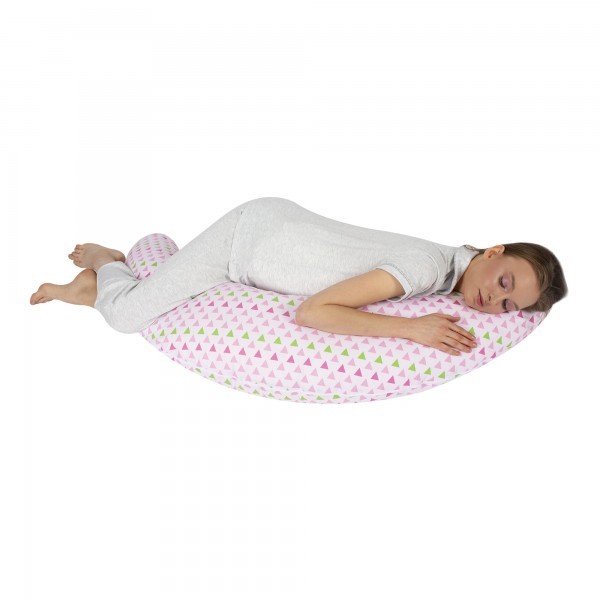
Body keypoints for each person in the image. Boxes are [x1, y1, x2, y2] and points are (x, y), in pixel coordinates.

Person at [29, 197, 568, 356]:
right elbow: (313, 313)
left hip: (278, 229)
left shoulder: (446, 267)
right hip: (247, 242)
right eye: (504, 283)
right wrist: (412, 330)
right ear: (493, 252)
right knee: (127, 317)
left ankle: (91, 291)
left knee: (157, 300)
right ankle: (106, 263)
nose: (493, 302)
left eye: (508, 306)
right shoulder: (427, 268)